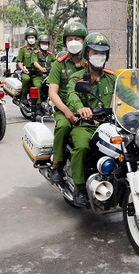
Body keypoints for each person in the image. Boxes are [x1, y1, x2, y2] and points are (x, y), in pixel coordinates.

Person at [66, 32, 125, 207]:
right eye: (95, 52)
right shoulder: (77, 77)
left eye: (102, 53)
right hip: (85, 125)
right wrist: (81, 108)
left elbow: (126, 93)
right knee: (82, 148)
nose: (99, 56)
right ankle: (78, 188)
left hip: (108, 124)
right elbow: (71, 94)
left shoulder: (112, 77)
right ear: (87, 54)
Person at [47, 21, 88, 184]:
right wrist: (66, 111)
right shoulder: (59, 64)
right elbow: (52, 93)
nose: (74, 42)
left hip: (87, 107)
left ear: (84, 42)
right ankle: (56, 164)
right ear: (65, 42)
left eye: (78, 39)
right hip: (64, 107)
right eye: (70, 39)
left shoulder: (90, 62)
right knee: (63, 126)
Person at [17, 27, 46, 106]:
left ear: (35, 38)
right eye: (29, 37)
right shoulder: (23, 50)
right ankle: (23, 96)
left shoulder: (39, 49)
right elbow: (19, 62)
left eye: (32, 37)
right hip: (27, 71)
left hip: (37, 72)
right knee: (26, 79)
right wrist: (23, 69)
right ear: (26, 38)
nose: (31, 39)